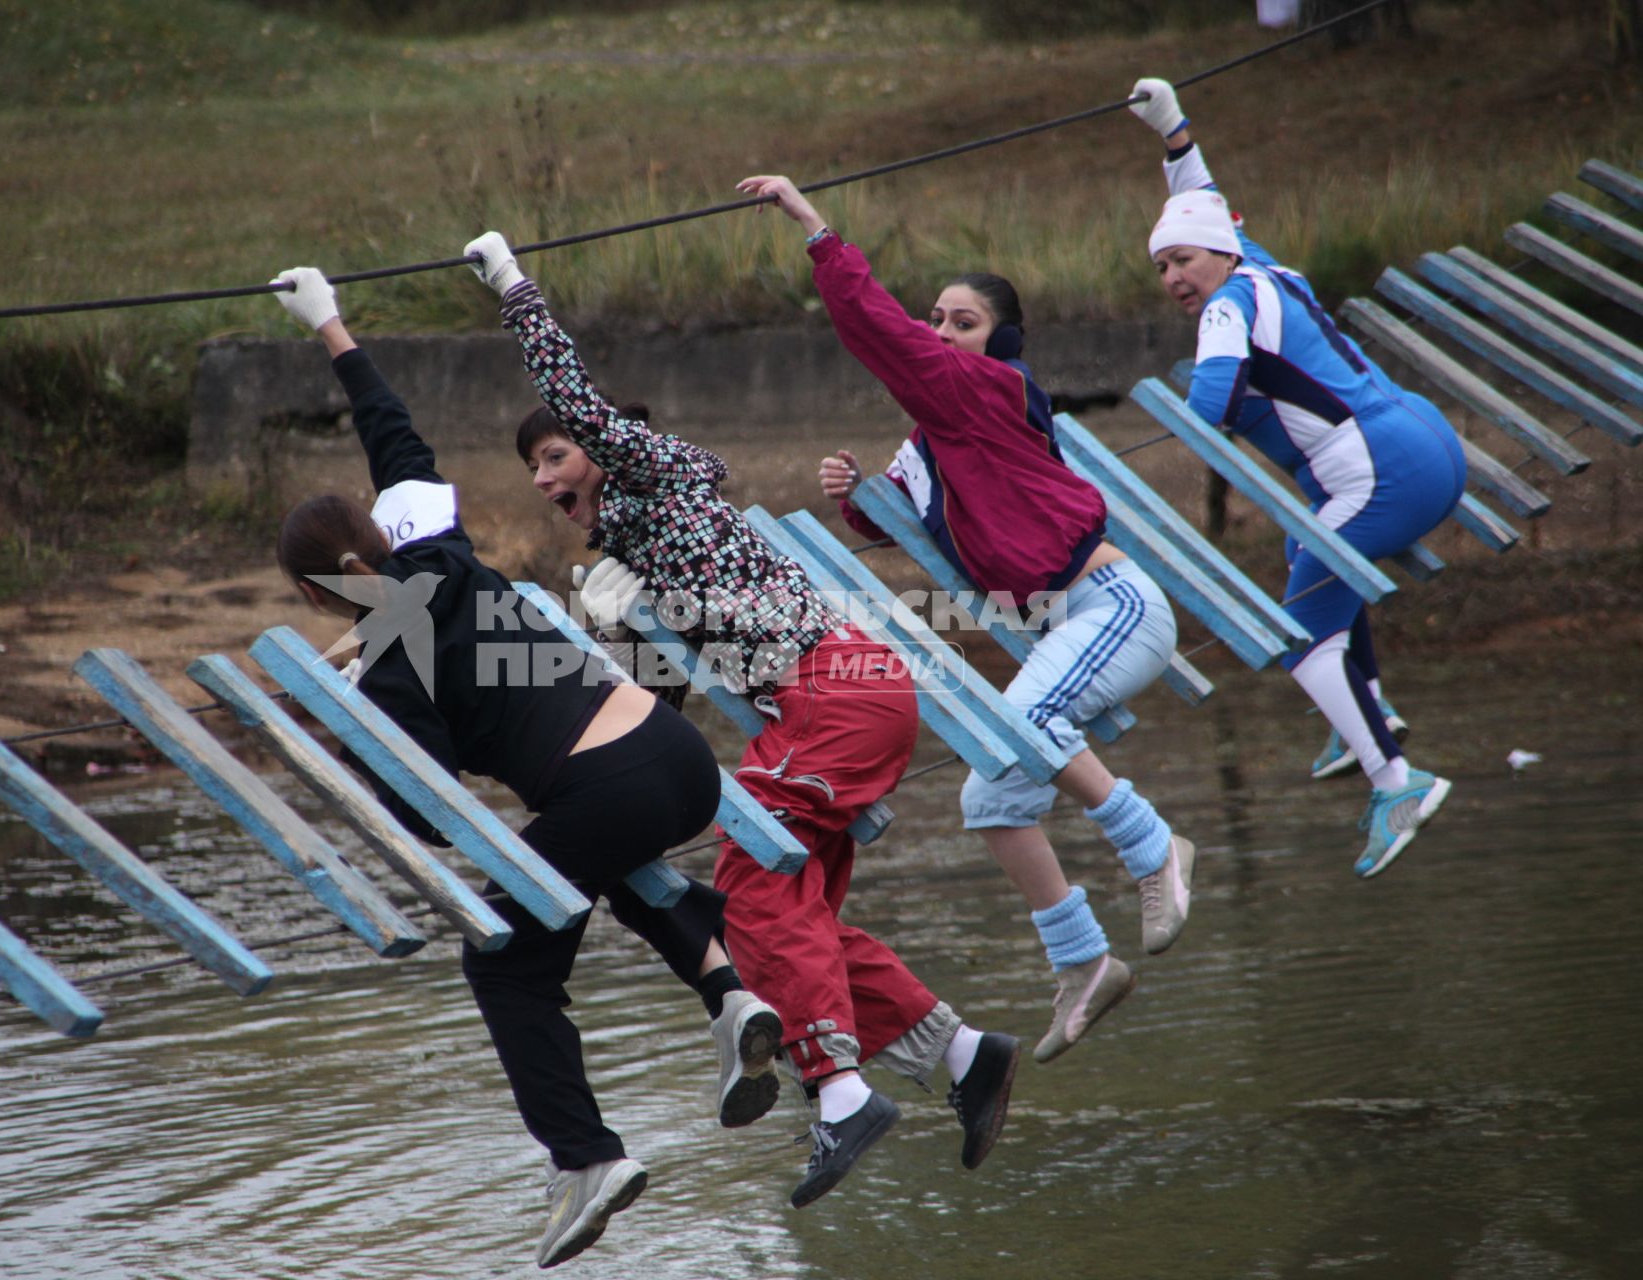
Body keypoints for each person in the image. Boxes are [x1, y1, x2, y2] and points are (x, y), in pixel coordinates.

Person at [463, 232, 1020, 1208]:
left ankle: (843, 1095)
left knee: (752, 882)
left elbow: (583, 402)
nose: (547, 482)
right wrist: (594, 658)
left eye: (554, 455)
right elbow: (646, 716)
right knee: (779, 917)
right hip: (835, 696)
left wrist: (514, 288)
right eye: (534, 472)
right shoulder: (636, 553)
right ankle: (964, 1054)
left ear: (597, 445)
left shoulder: (652, 472)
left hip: (834, 687)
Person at [268, 266, 783, 1270]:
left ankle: (586, 1157)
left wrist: (345, 727)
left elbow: (426, 812)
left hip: (606, 782)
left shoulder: (385, 668)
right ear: (383, 532)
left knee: (501, 955)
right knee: (603, 866)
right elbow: (393, 429)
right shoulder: (441, 555)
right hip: (677, 757)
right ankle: (734, 996)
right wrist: (327, 318)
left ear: (315, 594)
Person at [734, 174, 1196, 1066]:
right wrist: (857, 505)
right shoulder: (932, 434)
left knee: (1020, 725)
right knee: (987, 793)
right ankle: (1084, 961)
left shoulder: (995, 390)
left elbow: (885, 338)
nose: (943, 333)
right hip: (1068, 624)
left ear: (999, 343)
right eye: (936, 318)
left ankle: (1153, 846)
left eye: (962, 322)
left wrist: (814, 228)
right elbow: (924, 515)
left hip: (1116, 607)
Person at [1127, 77, 1465, 877]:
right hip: (1431, 442)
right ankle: (1367, 707)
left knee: (1300, 633)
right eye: (1161, 266)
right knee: (1305, 551)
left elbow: (1208, 401)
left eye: (1182, 260)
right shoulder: (1267, 270)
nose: (1174, 275)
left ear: (1220, 253)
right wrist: (1172, 130)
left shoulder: (1226, 305)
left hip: (1382, 478)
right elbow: (1204, 197)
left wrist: (1211, 381)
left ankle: (1397, 781)